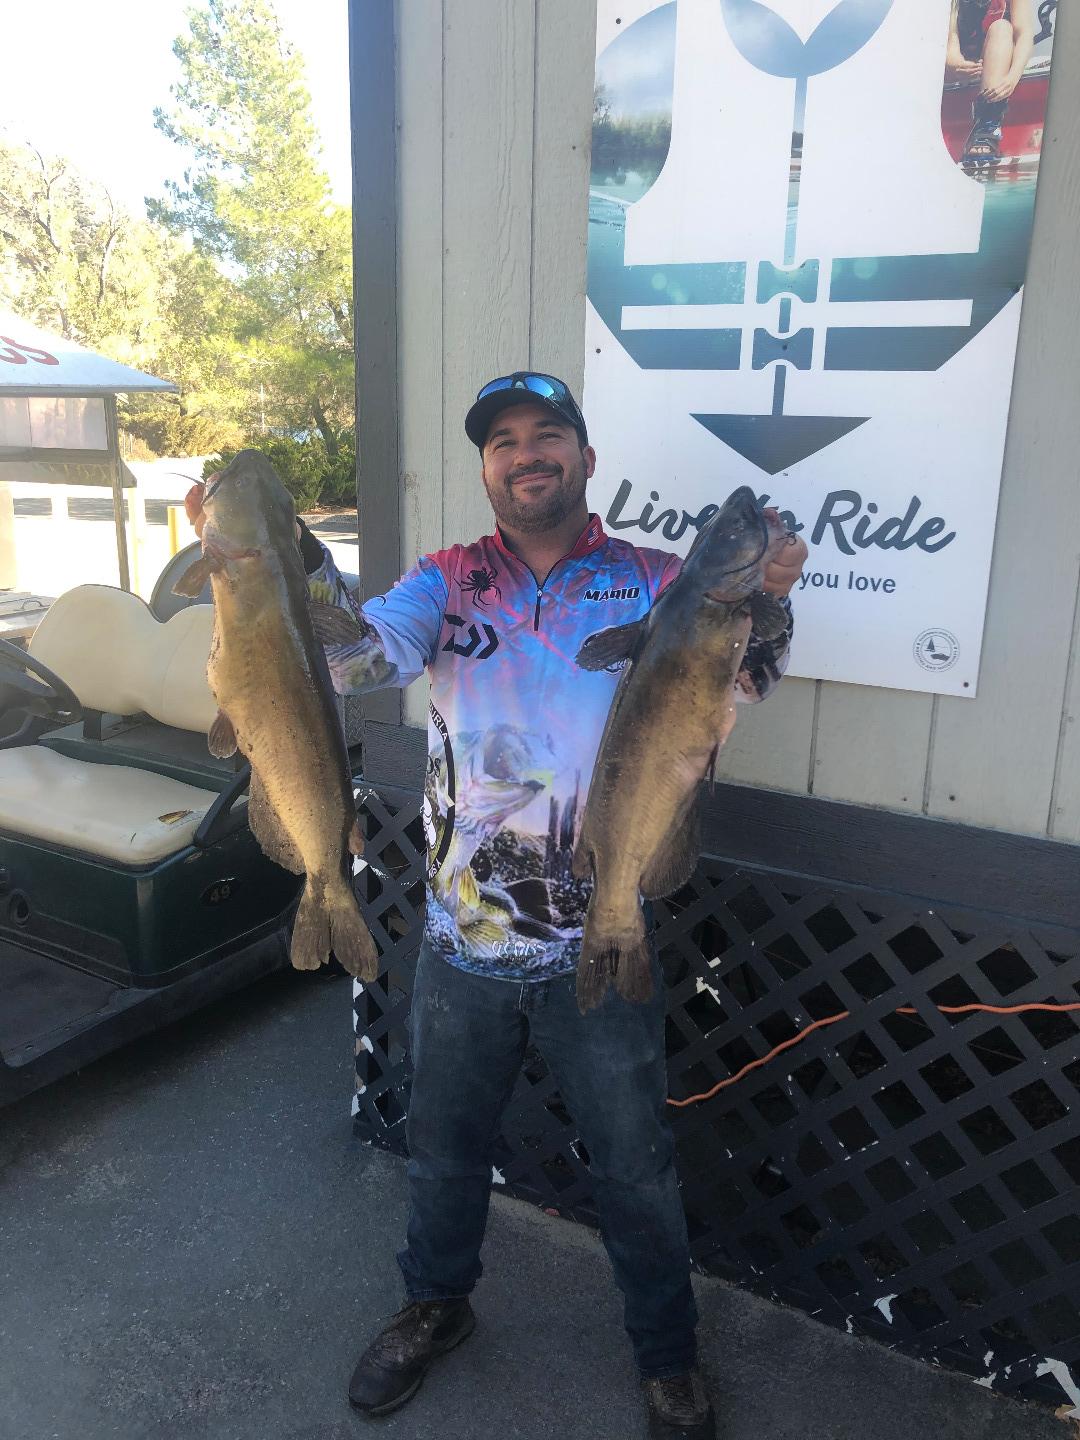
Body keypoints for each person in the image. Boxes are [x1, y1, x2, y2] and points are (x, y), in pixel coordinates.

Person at [191, 373, 807, 1439]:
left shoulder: (658, 580)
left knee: (634, 1167)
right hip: (459, 939)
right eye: (505, 441)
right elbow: (350, 656)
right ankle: (435, 1308)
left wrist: (773, 598)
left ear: (584, 458)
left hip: (601, 930)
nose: (528, 454)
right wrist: (288, 562)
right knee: (444, 1146)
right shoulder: (445, 580)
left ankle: (667, 1361)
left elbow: (742, 681)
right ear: (486, 468)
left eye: (549, 435)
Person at [945, 0, 1036, 164]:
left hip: (996, 61)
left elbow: (1024, 34)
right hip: (960, 67)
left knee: (1001, 27)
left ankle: (987, 125)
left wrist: (1012, 77)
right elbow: (952, 41)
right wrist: (956, 65)